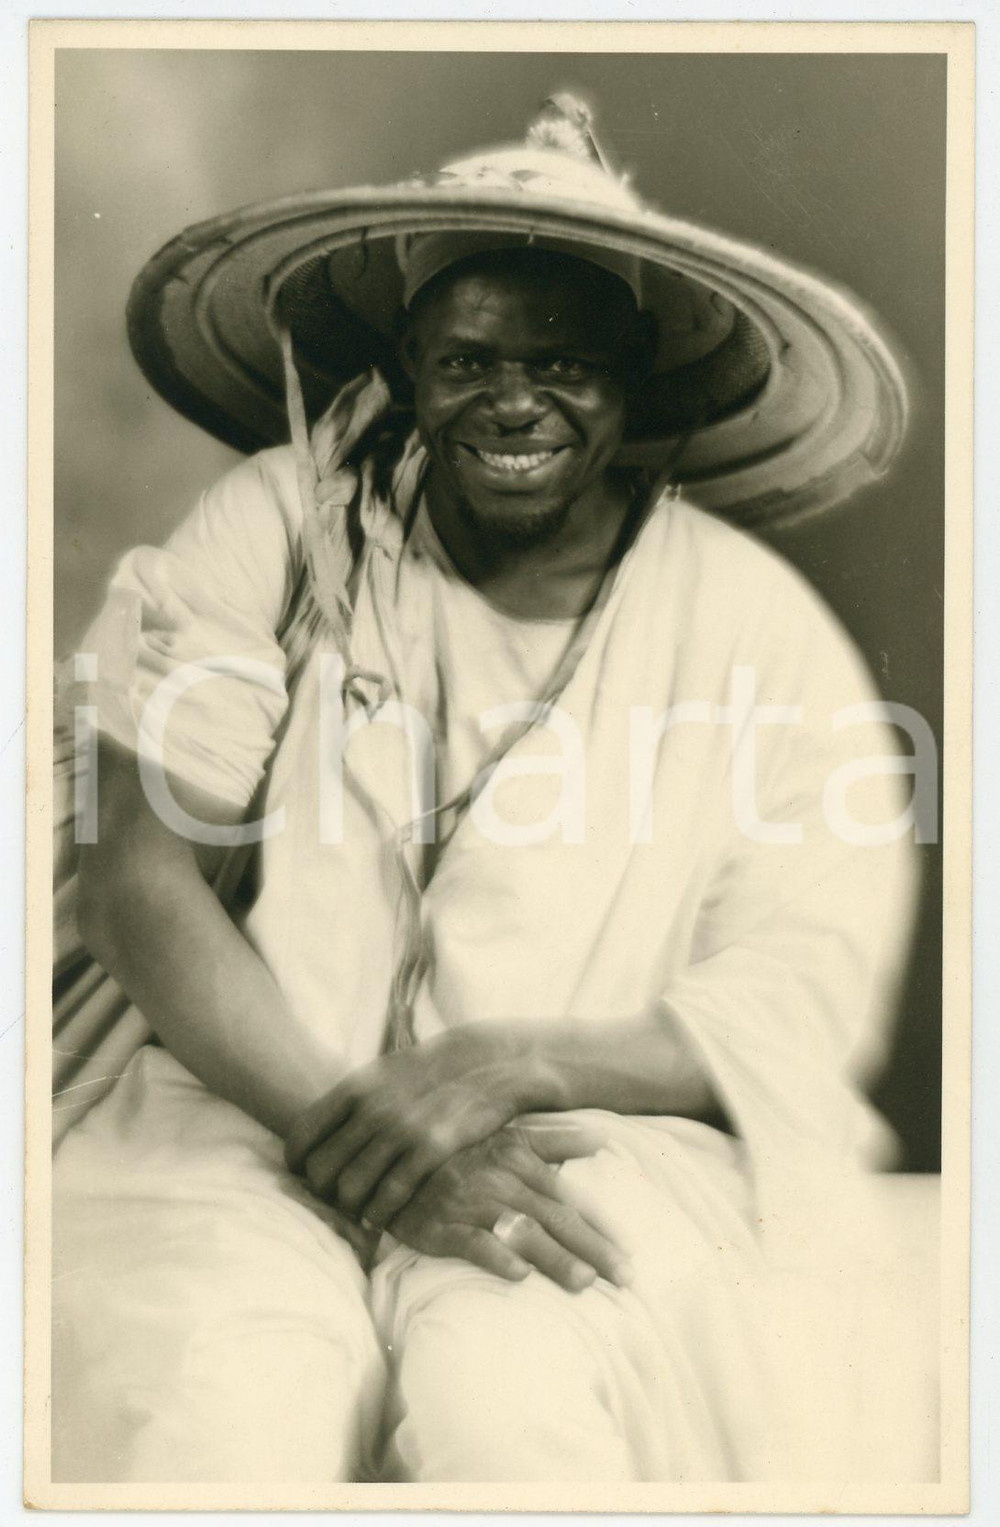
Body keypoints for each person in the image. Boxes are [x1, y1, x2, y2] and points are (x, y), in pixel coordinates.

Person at [50, 98, 935, 1485]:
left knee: (510, 1413)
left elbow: (796, 987)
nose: (513, 400)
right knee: (222, 1405)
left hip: (579, 1153)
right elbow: (134, 881)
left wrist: (516, 1062)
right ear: (407, 368)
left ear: (641, 384)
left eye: (566, 362)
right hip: (239, 1111)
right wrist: (356, 1131)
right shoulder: (283, 522)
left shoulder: (752, 627)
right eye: (466, 359)